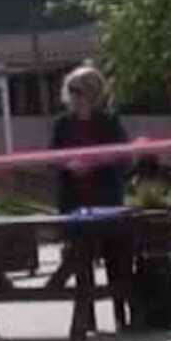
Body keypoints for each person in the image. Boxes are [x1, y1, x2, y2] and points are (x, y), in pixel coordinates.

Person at [50, 64, 135, 319]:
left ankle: (121, 313)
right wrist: (69, 165)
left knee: (115, 257)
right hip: (74, 201)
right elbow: (53, 158)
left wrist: (95, 162)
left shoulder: (109, 122)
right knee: (80, 259)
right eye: (71, 90)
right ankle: (86, 316)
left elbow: (124, 157)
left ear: (93, 92)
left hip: (106, 199)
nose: (74, 96)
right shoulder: (62, 124)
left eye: (79, 90)